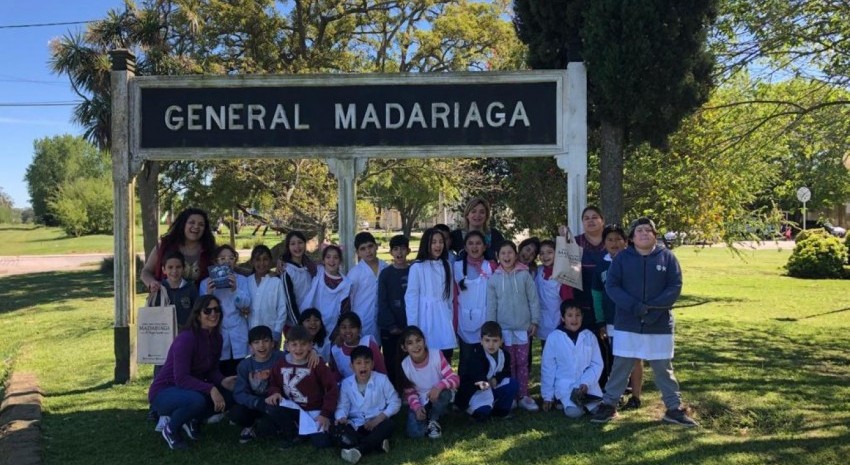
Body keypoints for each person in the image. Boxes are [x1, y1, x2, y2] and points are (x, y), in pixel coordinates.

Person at [592, 217, 698, 427]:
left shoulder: (667, 258)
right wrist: (634, 306)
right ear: (632, 238)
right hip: (627, 323)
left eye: (648, 230)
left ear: (654, 235)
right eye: (639, 230)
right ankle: (609, 405)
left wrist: (654, 309)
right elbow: (612, 286)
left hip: (658, 323)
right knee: (621, 367)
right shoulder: (622, 259)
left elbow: (674, 286)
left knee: (663, 368)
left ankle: (674, 408)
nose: (643, 233)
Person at [148, 295, 236, 450]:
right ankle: (171, 429)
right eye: (207, 311)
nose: (213, 314)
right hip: (165, 391)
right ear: (198, 314)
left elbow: (211, 370)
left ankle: (192, 420)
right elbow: (181, 378)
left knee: (232, 395)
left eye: (216, 310)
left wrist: (222, 381)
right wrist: (211, 389)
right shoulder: (186, 339)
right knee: (197, 401)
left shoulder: (217, 338)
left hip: (190, 388)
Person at [264, 325, 340, 449]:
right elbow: (274, 383)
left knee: (322, 444)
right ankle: (292, 433)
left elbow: (331, 389)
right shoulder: (281, 364)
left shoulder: (316, 364)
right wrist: (274, 392)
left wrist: (325, 413)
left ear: (311, 345)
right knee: (272, 406)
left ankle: (307, 432)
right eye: (294, 344)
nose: (298, 349)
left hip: (314, 410)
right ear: (287, 346)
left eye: (303, 344)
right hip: (293, 408)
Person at [486, 241, 541, 412]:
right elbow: (491, 305)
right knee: (509, 364)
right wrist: (492, 329)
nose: (507, 257)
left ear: (515, 255)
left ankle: (523, 394)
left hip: (523, 328)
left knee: (523, 363)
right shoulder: (494, 279)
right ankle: (511, 396)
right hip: (504, 330)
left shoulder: (524, 275)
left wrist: (534, 321)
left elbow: (533, 300)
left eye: (510, 253)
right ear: (498, 256)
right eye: (503, 253)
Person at [592, 224, 641, 398]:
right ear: (604, 243)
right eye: (610, 240)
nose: (614, 243)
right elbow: (597, 295)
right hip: (612, 319)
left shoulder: (635, 260)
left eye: (618, 239)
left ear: (626, 241)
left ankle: (635, 395)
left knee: (635, 357)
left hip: (632, 318)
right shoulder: (601, 264)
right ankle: (618, 393)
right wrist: (600, 321)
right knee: (617, 357)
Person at [334, 345, 401, 464]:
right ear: (352, 366)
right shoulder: (346, 383)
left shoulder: (382, 379)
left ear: (372, 364)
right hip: (357, 424)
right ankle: (377, 444)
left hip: (377, 422)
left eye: (367, 362)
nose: (363, 366)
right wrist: (341, 417)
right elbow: (342, 406)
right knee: (338, 428)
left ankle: (359, 449)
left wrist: (378, 419)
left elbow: (395, 402)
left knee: (389, 424)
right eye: (358, 363)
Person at [541, 300, 603, 418]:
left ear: (582, 317)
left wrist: (586, 382)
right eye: (569, 315)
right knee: (574, 413)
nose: (574, 319)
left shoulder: (589, 336)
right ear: (563, 318)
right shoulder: (554, 337)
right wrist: (547, 396)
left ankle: (585, 404)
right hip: (566, 385)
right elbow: (548, 368)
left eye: (577, 315)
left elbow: (596, 364)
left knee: (598, 409)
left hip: (588, 386)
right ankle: (562, 401)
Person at [396, 326, 459, 439]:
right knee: (413, 432)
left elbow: (454, 379)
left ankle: (433, 419)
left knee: (445, 394)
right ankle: (430, 422)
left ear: (424, 341)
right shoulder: (405, 365)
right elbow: (410, 392)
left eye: (418, 340)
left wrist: (439, 387)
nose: (416, 346)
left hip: (439, 396)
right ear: (404, 347)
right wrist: (417, 408)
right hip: (421, 400)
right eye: (410, 343)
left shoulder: (436, 355)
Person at [405, 228, 457, 363]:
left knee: (444, 356)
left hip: (443, 317)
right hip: (425, 318)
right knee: (427, 355)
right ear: (426, 244)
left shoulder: (446, 265)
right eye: (434, 242)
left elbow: (449, 296)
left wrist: (449, 317)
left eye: (441, 242)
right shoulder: (417, 267)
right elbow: (411, 297)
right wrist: (413, 326)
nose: (438, 245)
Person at [200, 245, 252, 377]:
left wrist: (235, 290)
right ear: (216, 261)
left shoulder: (241, 280)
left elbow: (246, 304)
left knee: (240, 370)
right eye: (222, 258)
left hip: (238, 330)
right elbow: (202, 310)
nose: (227, 261)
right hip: (218, 331)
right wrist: (209, 293)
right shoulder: (205, 283)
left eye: (231, 258)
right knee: (221, 370)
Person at [229, 325, 285, 444]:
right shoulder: (244, 365)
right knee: (236, 413)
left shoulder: (281, 357)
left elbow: (300, 355)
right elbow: (239, 393)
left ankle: (262, 426)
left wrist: (312, 354)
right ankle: (249, 425)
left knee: (266, 430)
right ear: (250, 347)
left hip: (274, 403)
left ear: (272, 343)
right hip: (255, 404)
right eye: (256, 342)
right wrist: (256, 402)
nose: (261, 345)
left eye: (265, 341)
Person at [454, 321, 518, 421]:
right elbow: (474, 380)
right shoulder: (476, 356)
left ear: (501, 341)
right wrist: (488, 384)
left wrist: (496, 379)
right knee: (482, 414)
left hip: (491, 386)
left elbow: (506, 373)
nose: (491, 345)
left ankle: (501, 411)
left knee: (512, 384)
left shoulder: (505, 355)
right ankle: (474, 410)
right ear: (481, 341)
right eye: (487, 340)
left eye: (495, 341)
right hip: (475, 391)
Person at [141, 207, 216, 293]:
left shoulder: (210, 250)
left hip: (200, 303)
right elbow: (146, 271)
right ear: (183, 224)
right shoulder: (165, 246)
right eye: (191, 222)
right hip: (167, 302)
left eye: (201, 224)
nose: (196, 226)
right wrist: (152, 283)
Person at [453, 231, 495, 366]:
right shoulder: (457, 267)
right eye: (470, 243)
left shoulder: (490, 266)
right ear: (465, 247)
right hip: (464, 322)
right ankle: (465, 387)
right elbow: (453, 296)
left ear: (484, 246)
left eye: (478, 243)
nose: (474, 247)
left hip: (485, 320)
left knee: (485, 362)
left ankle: (486, 387)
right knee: (465, 360)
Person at [377, 234, 410, 384]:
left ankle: (408, 390)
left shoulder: (413, 271)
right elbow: (382, 301)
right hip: (389, 327)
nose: (399, 253)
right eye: (396, 249)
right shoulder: (386, 274)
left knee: (409, 359)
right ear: (391, 252)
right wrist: (391, 325)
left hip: (409, 325)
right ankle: (393, 390)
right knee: (391, 360)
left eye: (402, 249)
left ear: (408, 250)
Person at [303, 244, 351, 341]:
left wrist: (338, 333)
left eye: (336, 257)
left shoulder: (345, 284)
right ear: (323, 260)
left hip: (332, 326)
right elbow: (302, 258)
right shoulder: (318, 271)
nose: (332, 261)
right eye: (328, 257)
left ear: (340, 261)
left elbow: (345, 310)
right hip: (312, 322)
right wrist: (281, 259)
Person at [347, 232, 388, 343]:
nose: (368, 251)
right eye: (363, 249)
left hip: (383, 319)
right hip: (362, 320)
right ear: (358, 253)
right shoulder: (355, 273)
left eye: (370, 246)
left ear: (376, 246)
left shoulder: (386, 268)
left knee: (379, 351)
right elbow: (349, 298)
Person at [571, 206, 608, 330]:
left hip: (610, 302)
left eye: (594, 217)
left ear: (602, 221)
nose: (590, 221)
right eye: (586, 218)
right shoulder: (574, 243)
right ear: (583, 223)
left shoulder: (613, 241)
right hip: (583, 304)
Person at [247, 245, 287, 346]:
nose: (261, 263)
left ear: (270, 261)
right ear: (252, 262)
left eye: (265, 259)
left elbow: (282, 310)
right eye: (257, 260)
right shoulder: (247, 282)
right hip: (251, 333)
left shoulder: (276, 282)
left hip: (271, 334)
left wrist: (277, 333)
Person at [278, 230, 320, 328]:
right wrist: (299, 325)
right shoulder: (286, 270)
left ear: (305, 244)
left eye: (300, 242)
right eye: (293, 244)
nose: (297, 247)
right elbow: (289, 301)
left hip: (311, 321)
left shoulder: (310, 267)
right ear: (288, 247)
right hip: (295, 325)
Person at [329, 312, 387, 382]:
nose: (348, 331)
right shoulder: (336, 350)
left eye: (352, 327)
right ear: (339, 330)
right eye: (344, 327)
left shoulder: (369, 345)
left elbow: (381, 371)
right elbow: (337, 377)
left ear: (359, 329)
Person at [152, 250, 199, 331]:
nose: (174, 271)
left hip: (185, 335)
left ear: (184, 268)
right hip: (163, 335)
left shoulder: (191, 288)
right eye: (170, 267)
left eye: (178, 267)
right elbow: (152, 313)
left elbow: (196, 312)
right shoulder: (158, 289)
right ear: (164, 269)